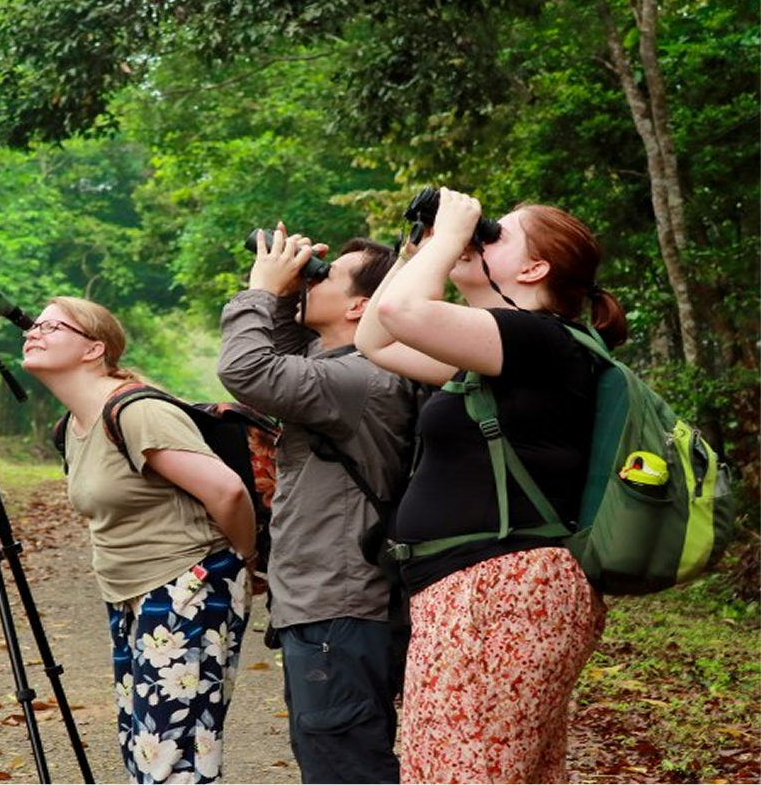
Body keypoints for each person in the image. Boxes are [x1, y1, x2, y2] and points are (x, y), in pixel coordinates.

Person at [355, 188, 628, 785]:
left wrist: (453, 236)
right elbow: (375, 339)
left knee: (463, 773)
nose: (480, 233)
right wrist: (424, 246)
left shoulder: (537, 338)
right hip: (482, 592)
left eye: (495, 233)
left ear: (534, 270)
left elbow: (402, 317)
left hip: (500, 591)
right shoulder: (505, 351)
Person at [22, 296, 257, 785]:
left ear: (93, 349)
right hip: (131, 592)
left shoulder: (137, 410)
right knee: (145, 744)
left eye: (52, 326)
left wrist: (244, 560)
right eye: (34, 325)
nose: (34, 332)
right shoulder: (72, 426)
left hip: (187, 584)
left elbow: (227, 490)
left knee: (174, 753)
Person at [217, 226, 420, 785]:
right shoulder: (335, 360)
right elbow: (280, 352)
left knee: (344, 766)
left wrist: (260, 290)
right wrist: (285, 288)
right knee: (334, 753)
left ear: (362, 306)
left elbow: (249, 370)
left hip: (341, 602)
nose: (314, 277)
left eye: (327, 274)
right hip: (330, 599)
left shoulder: (359, 378)